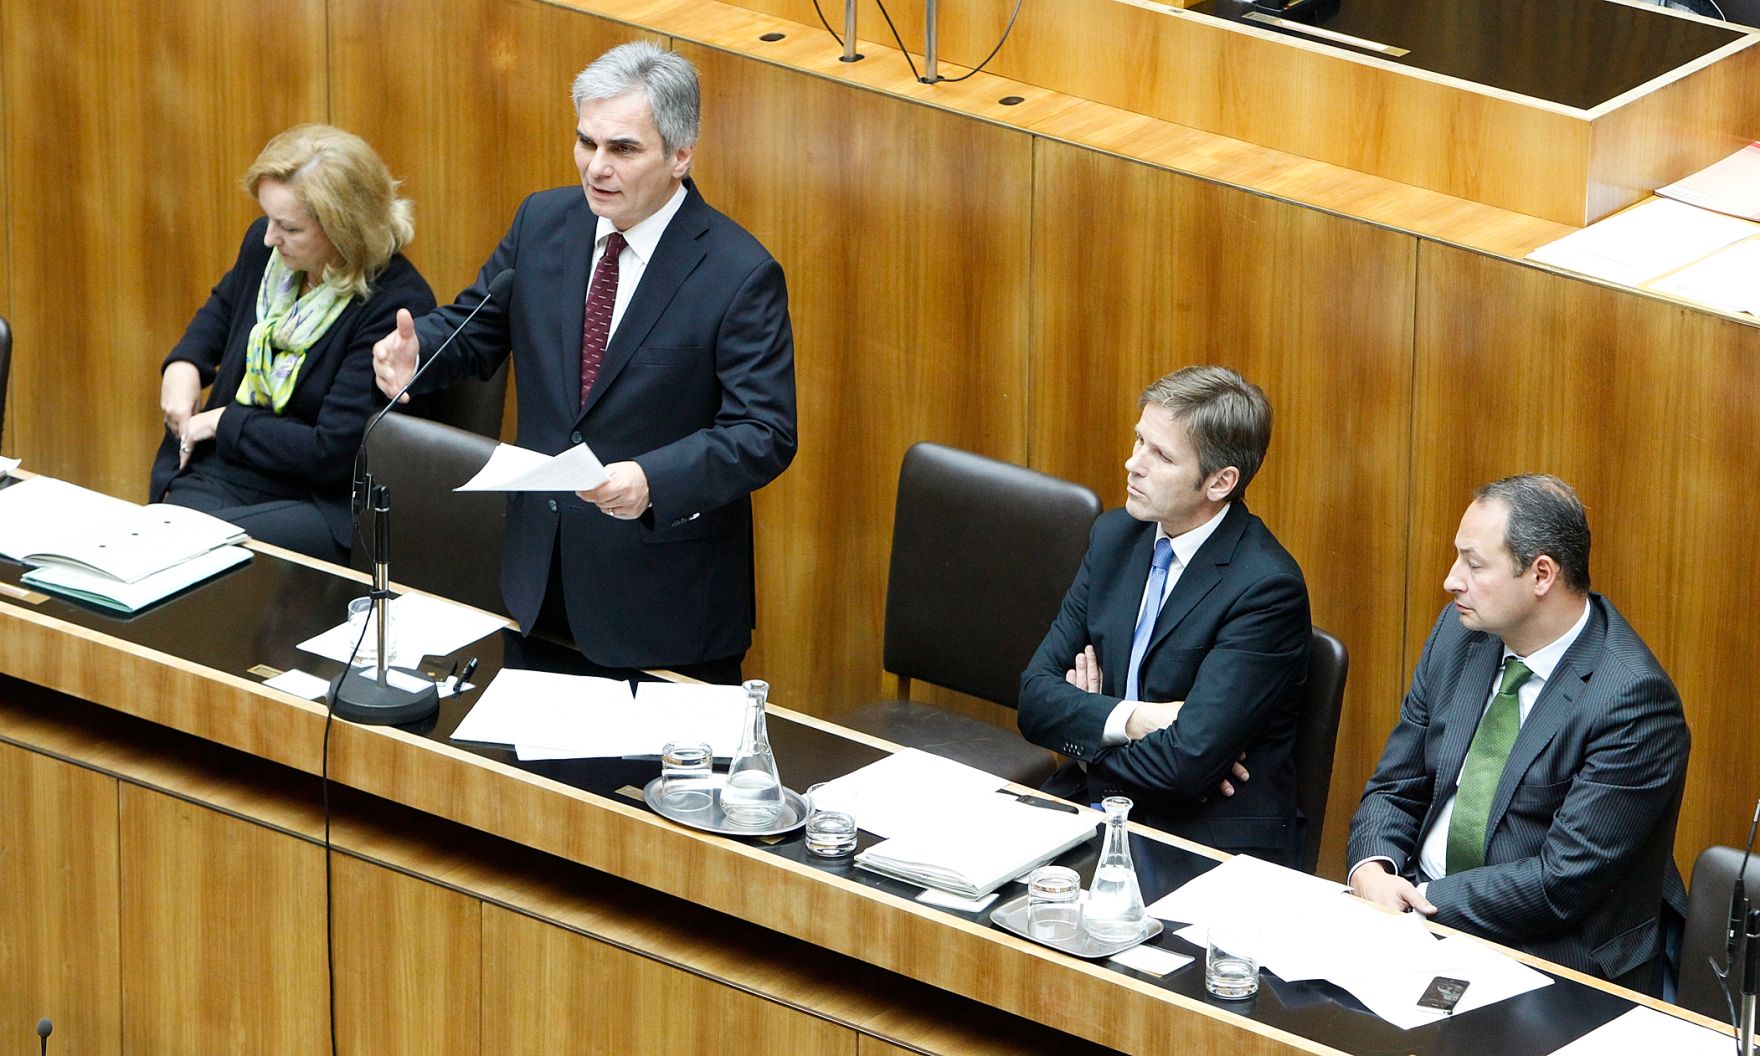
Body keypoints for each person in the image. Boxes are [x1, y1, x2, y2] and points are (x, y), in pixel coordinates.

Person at [371, 42, 796, 684]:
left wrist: (651, 478)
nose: (596, 167)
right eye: (586, 142)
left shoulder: (739, 273)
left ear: (681, 155)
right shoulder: (544, 222)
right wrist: (420, 351)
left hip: (664, 607)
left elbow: (763, 434)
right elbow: (479, 325)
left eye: (622, 148)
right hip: (539, 580)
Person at [1346, 475, 1689, 993]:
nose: (1451, 580)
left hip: (1551, 959)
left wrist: (1419, 902)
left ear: (1541, 574)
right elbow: (1397, 784)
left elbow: (1559, 883)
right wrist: (1372, 869)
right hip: (1411, 918)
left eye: (1474, 564)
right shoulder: (1460, 636)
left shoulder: (1633, 702)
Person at [1017, 366, 1310, 864]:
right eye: (1139, 441)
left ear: (1220, 482)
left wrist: (1088, 736)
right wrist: (1134, 720)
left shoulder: (1266, 587)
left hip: (1202, 834)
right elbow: (1035, 699)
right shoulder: (1114, 538)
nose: (1133, 464)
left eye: (1161, 455)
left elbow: (1186, 766)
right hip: (1096, 806)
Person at [152, 124, 435, 564]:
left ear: (345, 229)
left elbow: (330, 453)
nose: (269, 237)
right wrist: (183, 365)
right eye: (268, 219)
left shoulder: (394, 301)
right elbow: (224, 308)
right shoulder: (268, 250)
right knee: (156, 546)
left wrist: (224, 423)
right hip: (225, 467)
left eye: (289, 228)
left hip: (316, 499)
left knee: (193, 555)